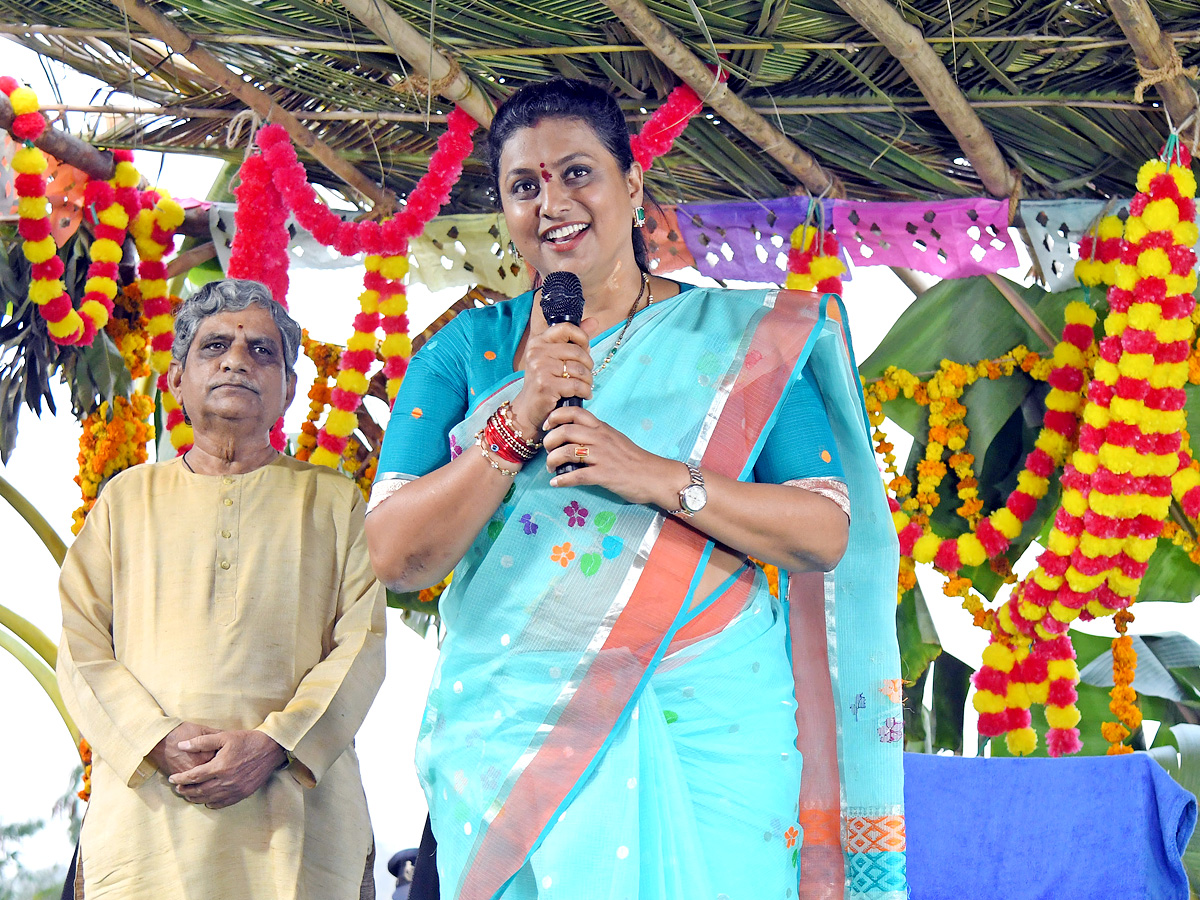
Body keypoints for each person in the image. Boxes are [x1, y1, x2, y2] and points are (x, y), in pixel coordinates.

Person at [366, 79, 905, 900]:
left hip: (714, 727)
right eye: (524, 185)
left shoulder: (740, 341)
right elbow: (396, 554)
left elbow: (824, 529)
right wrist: (516, 419)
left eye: (577, 172)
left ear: (632, 185)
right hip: (513, 738)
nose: (553, 202)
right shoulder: (465, 352)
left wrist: (655, 477)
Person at [57, 278, 387, 900]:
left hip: (297, 820)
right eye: (215, 347)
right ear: (176, 379)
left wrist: (274, 745)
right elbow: (79, 646)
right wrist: (155, 740)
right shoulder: (126, 500)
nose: (238, 360)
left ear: (290, 387)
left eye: (262, 351)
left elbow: (362, 646)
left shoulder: (336, 502)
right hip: (151, 827)